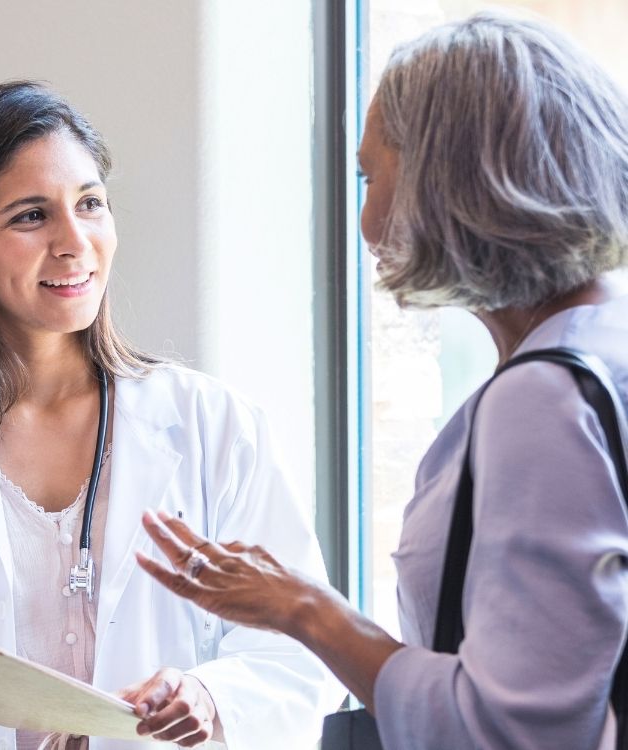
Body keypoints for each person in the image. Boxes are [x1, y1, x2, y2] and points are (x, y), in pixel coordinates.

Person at [0, 81, 343, 750]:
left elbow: (301, 655)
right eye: (30, 216)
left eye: (91, 204)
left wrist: (212, 697)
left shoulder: (212, 427)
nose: (75, 241)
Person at [136, 11, 628, 750]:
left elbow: (513, 729)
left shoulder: (543, 401)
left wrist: (305, 609)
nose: (365, 222)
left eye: (371, 177)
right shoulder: (601, 349)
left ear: (452, 179)